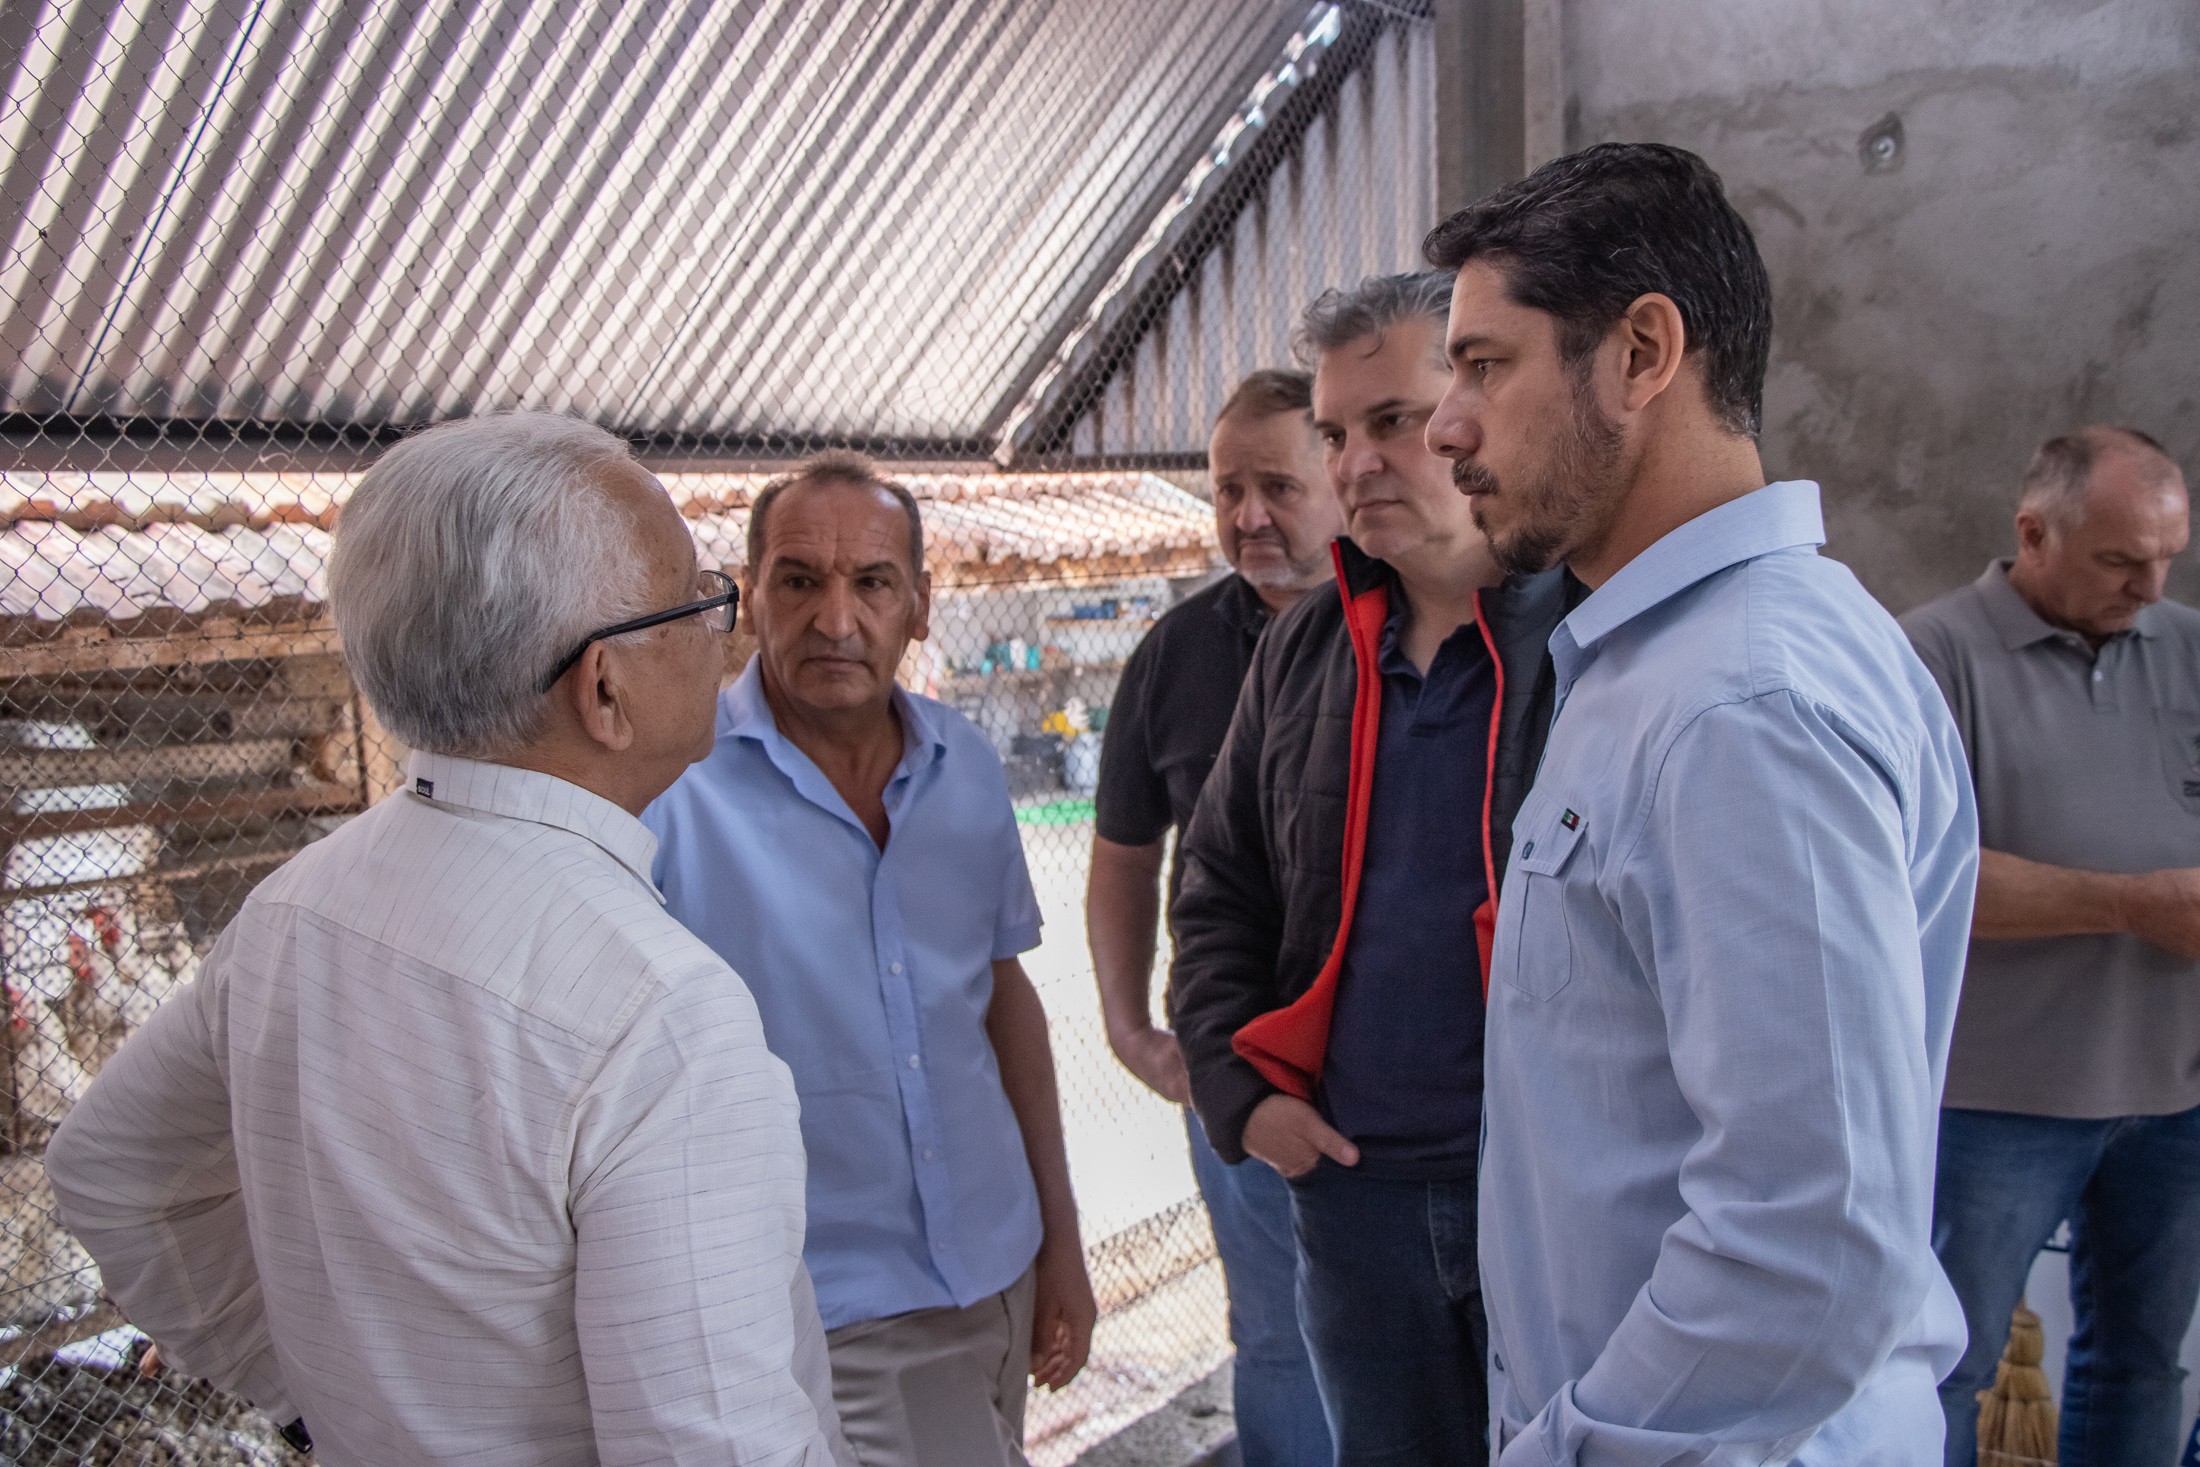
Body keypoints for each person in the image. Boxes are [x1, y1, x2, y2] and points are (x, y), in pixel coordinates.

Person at [45, 412, 852, 1465]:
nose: (724, 629)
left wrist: (302, 1393)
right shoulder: (659, 1016)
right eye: (695, 601)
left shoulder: (294, 910)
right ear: (603, 689)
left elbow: (110, 1172)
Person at [1423, 142, 1977, 1463]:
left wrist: (1572, 1449)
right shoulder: (1667, 662)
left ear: (1642, 353)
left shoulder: (1741, 704)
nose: (1446, 425)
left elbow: (1810, 1245)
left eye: (1486, 364)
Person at [1171, 273, 1575, 1465]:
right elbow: (1217, 892)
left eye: (1391, 421)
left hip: (1550, 1202)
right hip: (1355, 1199)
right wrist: (1242, 1097)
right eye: (1336, 434)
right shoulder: (1307, 645)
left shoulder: (1595, 635)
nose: (1356, 465)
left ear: (1476, 405)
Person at [643, 454, 1095, 1467]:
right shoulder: (674, 791)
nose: (836, 619)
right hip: (831, 1305)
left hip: (998, 1262)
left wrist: (1059, 1241)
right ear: (749, 597)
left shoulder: (964, 766)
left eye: (873, 583)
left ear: (920, 607)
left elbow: (1002, 1003)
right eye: (800, 580)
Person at [1901, 427, 2200, 1467]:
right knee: (1944, 1367)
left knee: (2142, 1365)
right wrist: (2132, 905)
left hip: (2177, 1093)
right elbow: (1914, 879)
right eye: (2120, 560)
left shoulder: (2189, 646)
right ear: (2033, 533)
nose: (2149, 588)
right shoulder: (1928, 657)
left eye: (2167, 557)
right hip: (1994, 1100)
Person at [1088, 368, 1343, 1467]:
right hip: (1237, 1071)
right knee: (1278, 1337)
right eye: (1228, 490)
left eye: (1277, 485)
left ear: (1343, 474)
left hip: (1397, 1077)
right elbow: (1123, 855)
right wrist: (1128, 1030)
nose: (1248, 515)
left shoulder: (1422, 626)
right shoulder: (1177, 654)